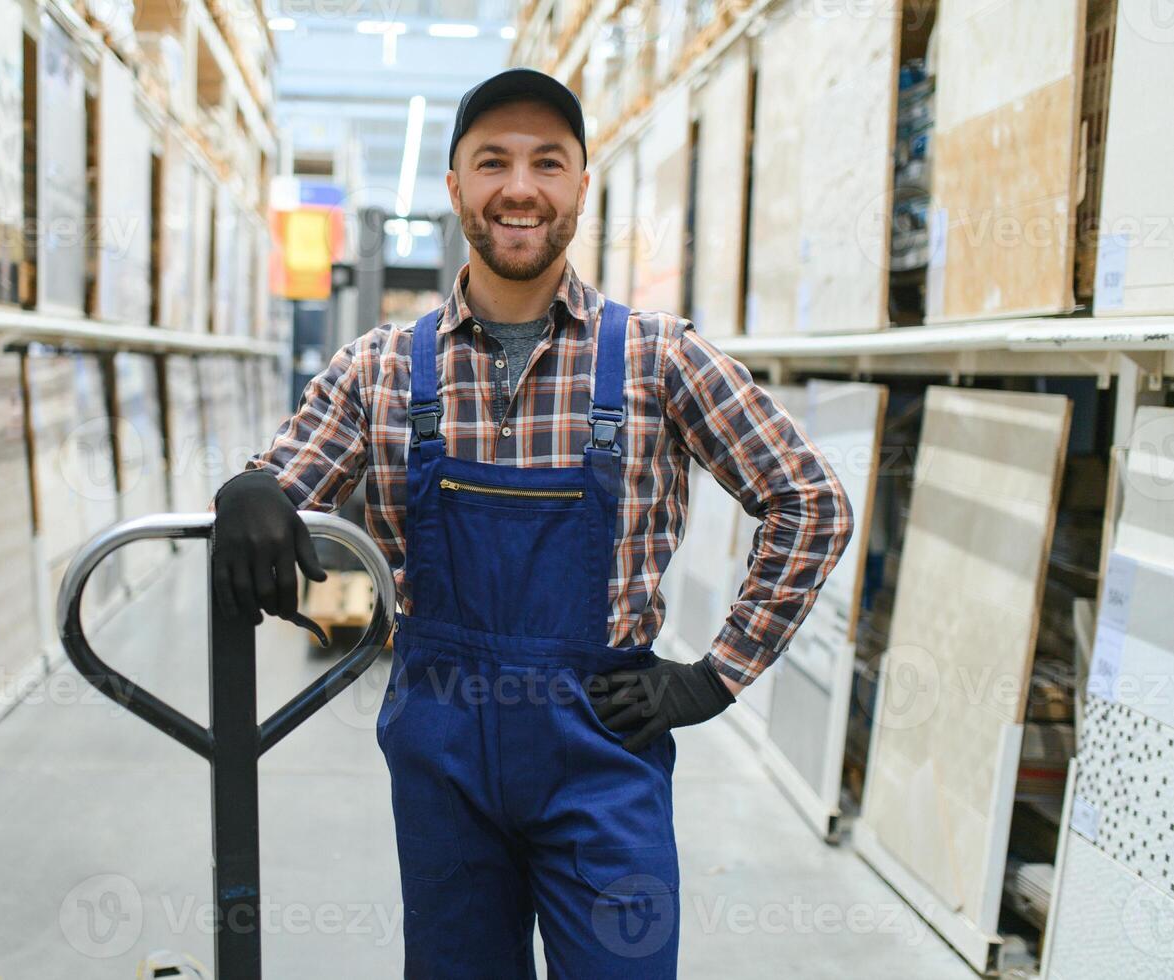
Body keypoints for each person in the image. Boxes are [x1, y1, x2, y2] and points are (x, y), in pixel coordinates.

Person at [211, 67, 854, 979]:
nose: (520, 188)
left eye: (547, 163)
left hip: (601, 748)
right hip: (440, 748)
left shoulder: (658, 358)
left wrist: (716, 677)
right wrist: (249, 492)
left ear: (581, 187)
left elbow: (808, 500)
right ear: (455, 188)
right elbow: (285, 475)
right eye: (492, 162)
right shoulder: (379, 368)